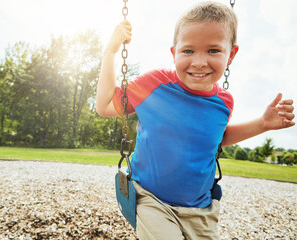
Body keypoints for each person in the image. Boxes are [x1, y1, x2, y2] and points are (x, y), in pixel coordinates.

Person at [96, 1, 295, 239]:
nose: (199, 62)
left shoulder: (224, 102)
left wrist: (262, 124)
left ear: (231, 55)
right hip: (150, 199)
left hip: (201, 212)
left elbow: (215, 139)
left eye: (213, 51)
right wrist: (110, 52)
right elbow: (105, 106)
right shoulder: (155, 85)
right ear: (174, 52)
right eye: (188, 51)